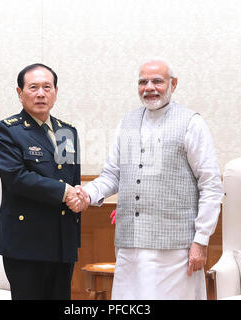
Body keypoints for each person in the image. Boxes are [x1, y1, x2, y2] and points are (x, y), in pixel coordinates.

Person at [67, 58, 224, 299]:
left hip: (175, 248)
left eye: (157, 81)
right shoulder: (128, 123)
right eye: (143, 82)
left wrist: (201, 241)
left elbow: (211, 185)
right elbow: (113, 175)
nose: (149, 87)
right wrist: (88, 194)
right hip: (130, 245)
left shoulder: (191, 122)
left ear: (174, 84)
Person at [0, 63, 83, 300]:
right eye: (33, 87)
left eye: (47, 87)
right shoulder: (6, 131)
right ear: (20, 93)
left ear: (55, 92)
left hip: (62, 239)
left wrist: (79, 196)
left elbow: (70, 177)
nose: (41, 93)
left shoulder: (67, 132)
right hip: (26, 242)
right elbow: (17, 178)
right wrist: (66, 192)